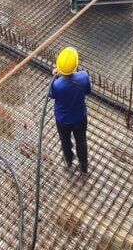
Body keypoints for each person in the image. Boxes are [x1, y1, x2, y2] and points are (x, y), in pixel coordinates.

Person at [50, 47, 91, 175]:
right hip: (79, 117)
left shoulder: (56, 85)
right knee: (81, 142)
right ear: (76, 66)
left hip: (63, 121)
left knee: (65, 141)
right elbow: (88, 91)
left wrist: (57, 75)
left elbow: (52, 95)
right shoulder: (84, 77)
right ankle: (84, 166)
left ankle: (68, 160)